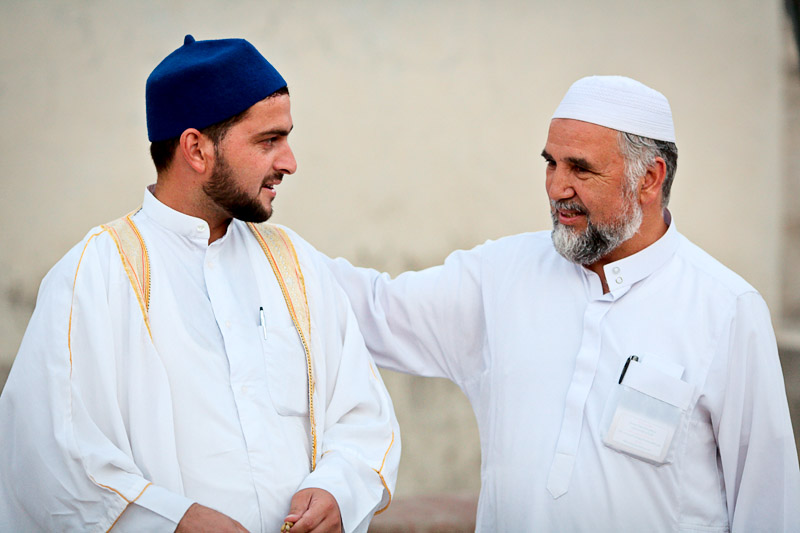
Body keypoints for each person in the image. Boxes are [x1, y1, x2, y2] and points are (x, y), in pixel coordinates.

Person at [324, 75, 800, 531]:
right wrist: (260, 247)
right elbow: (369, 307)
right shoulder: (502, 275)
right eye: (551, 163)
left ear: (650, 179)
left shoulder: (726, 309)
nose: (556, 188)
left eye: (581, 168)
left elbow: (768, 499)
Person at [0, 35, 399, 533]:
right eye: (268, 140)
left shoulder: (297, 263)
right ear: (196, 148)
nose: (289, 162)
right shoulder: (94, 276)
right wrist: (170, 521)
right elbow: (50, 453)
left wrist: (339, 488)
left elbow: (363, 413)